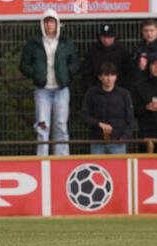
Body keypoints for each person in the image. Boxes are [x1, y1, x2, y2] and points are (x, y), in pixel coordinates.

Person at [19, 9, 80, 156]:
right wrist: (36, 75)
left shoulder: (66, 42)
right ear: (42, 24)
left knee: (61, 125)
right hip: (42, 90)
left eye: (52, 21)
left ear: (57, 23)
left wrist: (67, 75)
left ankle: (62, 159)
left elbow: (75, 63)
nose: (49, 25)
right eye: (46, 21)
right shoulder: (34, 43)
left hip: (61, 90)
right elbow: (24, 65)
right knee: (42, 126)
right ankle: (42, 158)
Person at [81, 63, 134, 155]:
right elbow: (84, 116)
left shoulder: (124, 94)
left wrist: (125, 137)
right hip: (97, 142)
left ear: (116, 77)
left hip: (118, 142)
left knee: (119, 169)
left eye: (112, 75)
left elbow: (130, 119)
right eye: (106, 75)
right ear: (100, 77)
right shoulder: (91, 93)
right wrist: (98, 124)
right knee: (97, 168)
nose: (109, 78)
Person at [83, 24, 132, 92]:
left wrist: (124, 90)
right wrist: (91, 89)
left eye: (109, 37)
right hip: (97, 90)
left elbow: (128, 72)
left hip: (119, 90)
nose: (106, 40)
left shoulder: (123, 51)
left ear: (114, 37)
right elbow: (87, 72)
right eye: (104, 37)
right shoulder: (93, 51)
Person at [133, 53, 157, 153]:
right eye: (154, 64)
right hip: (147, 132)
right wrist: (146, 107)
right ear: (149, 66)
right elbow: (133, 109)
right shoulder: (140, 85)